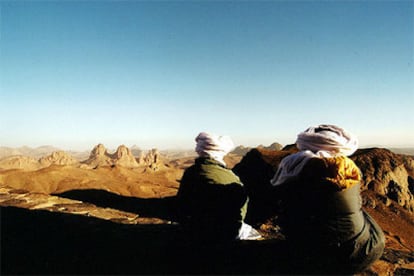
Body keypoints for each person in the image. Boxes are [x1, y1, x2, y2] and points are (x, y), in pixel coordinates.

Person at [270, 124, 385, 274]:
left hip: (316, 258)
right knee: (360, 212)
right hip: (365, 252)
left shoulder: (293, 166)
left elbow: (283, 205)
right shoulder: (349, 167)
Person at [176, 132, 261, 243]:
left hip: (193, 231)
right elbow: (241, 208)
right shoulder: (230, 177)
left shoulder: (190, 172)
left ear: (200, 150)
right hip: (225, 233)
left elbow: (182, 204)